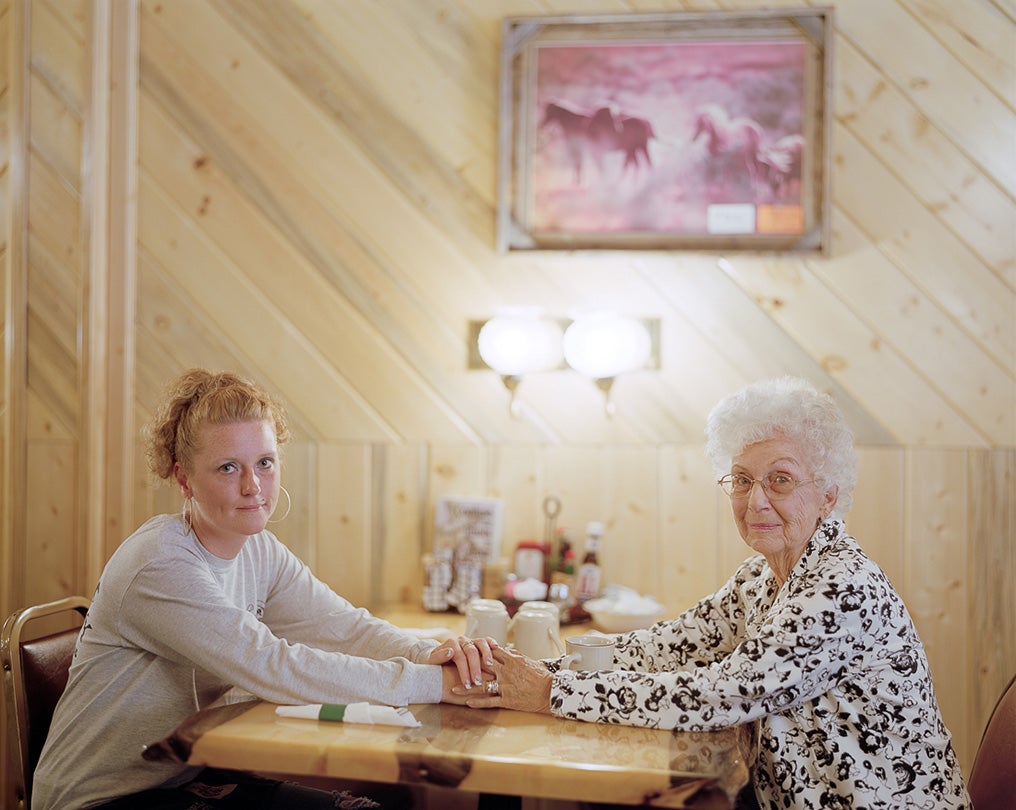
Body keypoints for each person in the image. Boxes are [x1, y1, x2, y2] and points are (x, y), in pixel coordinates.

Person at [460, 377, 970, 809]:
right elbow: (666, 647)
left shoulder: (842, 586)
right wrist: (521, 670)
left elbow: (726, 694)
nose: (756, 501)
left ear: (829, 495)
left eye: (781, 480)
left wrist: (550, 693)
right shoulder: (760, 577)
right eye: (743, 480)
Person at [33, 369, 496, 810]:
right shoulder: (158, 564)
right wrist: (435, 685)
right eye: (228, 467)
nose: (253, 486)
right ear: (183, 478)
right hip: (103, 800)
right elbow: (273, 665)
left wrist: (431, 656)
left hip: (185, 778)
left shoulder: (260, 550)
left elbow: (344, 627)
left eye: (265, 463)